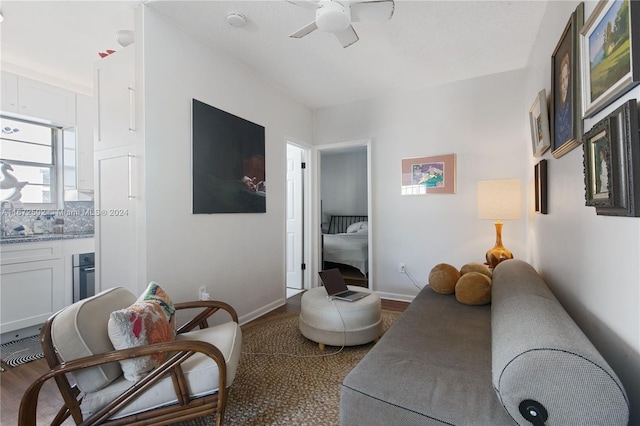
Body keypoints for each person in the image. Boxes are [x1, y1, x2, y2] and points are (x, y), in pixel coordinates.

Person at [555, 52, 571, 145]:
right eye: (563, 80)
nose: (564, 85)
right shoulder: (558, 114)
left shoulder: (570, 108)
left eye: (567, 78)